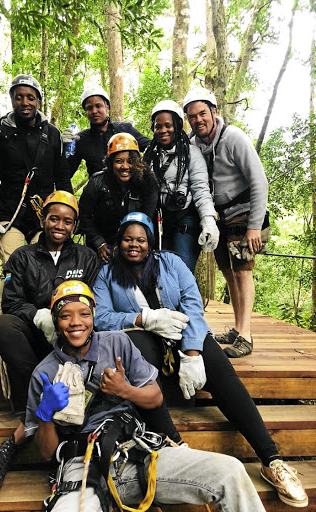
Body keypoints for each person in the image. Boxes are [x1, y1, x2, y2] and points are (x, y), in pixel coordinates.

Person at [92, 212, 308, 509]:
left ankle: (272, 460)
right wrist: (144, 318)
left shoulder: (171, 263)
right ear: (119, 242)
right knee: (134, 351)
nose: (134, 245)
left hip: (183, 333)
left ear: (150, 242)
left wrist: (193, 353)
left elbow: (192, 304)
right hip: (144, 340)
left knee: (220, 370)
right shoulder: (107, 273)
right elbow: (100, 317)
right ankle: (174, 444)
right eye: (128, 239)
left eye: (140, 239)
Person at [25, 279, 266, 512]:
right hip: (83, 467)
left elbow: (155, 398)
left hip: (136, 452)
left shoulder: (117, 344)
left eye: (84, 314)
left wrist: (125, 390)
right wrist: (45, 414)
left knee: (230, 471)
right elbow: (47, 453)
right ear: (55, 320)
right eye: (66, 315)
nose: (76, 322)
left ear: (93, 315)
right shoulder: (44, 373)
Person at [0, 191, 101, 494]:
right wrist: (40, 315)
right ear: (43, 219)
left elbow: (98, 303)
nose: (60, 225)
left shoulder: (86, 257)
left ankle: (23, 433)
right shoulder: (23, 256)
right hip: (39, 338)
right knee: (3, 327)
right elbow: (12, 303)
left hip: (76, 338)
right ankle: (40, 398)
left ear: (75, 225)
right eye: (54, 218)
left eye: (67, 221)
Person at [183, 87, 269, 357]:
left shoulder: (233, 138)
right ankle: (236, 326)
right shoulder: (194, 143)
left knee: (243, 270)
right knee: (229, 273)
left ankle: (245, 335)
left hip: (245, 212)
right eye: (192, 116)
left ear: (214, 112)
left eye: (202, 114)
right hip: (220, 216)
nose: (198, 120)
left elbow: (259, 181)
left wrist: (255, 225)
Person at [0, 74, 73, 266]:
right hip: (9, 212)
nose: (24, 102)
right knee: (14, 265)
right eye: (18, 97)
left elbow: (61, 176)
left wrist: (70, 210)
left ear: (38, 101)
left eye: (30, 97)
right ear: (12, 100)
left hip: (44, 212)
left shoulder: (52, 133)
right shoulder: (0, 134)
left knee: (45, 266)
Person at [143, 100, 219, 272]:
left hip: (185, 221)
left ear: (177, 126)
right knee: (158, 273)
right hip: (160, 221)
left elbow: (201, 189)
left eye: (168, 125)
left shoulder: (192, 153)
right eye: (158, 126)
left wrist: (208, 222)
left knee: (180, 273)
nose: (163, 130)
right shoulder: (149, 155)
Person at [78, 132, 158, 263]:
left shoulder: (148, 183)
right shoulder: (97, 183)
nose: (125, 167)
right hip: (103, 243)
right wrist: (99, 243)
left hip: (134, 245)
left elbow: (147, 219)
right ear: (110, 162)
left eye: (130, 162)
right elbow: (84, 215)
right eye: (119, 161)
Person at [64, 86, 150, 178]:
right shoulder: (81, 139)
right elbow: (65, 174)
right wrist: (62, 149)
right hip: (98, 189)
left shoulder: (124, 129)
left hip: (129, 188)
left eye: (98, 106)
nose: (94, 111)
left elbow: (151, 147)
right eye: (89, 108)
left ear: (107, 107)